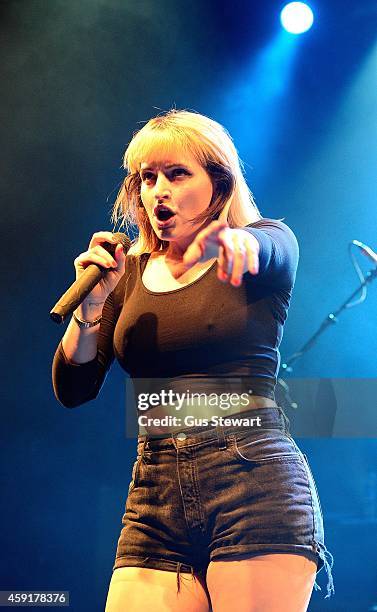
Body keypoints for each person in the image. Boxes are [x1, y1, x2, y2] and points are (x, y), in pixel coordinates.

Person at [52, 109, 334, 611]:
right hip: (154, 490)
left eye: (177, 174)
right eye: (147, 177)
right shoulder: (129, 273)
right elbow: (74, 389)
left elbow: (270, 249)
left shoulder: (264, 242)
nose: (158, 189)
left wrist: (235, 240)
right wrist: (92, 308)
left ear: (218, 184)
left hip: (251, 478)